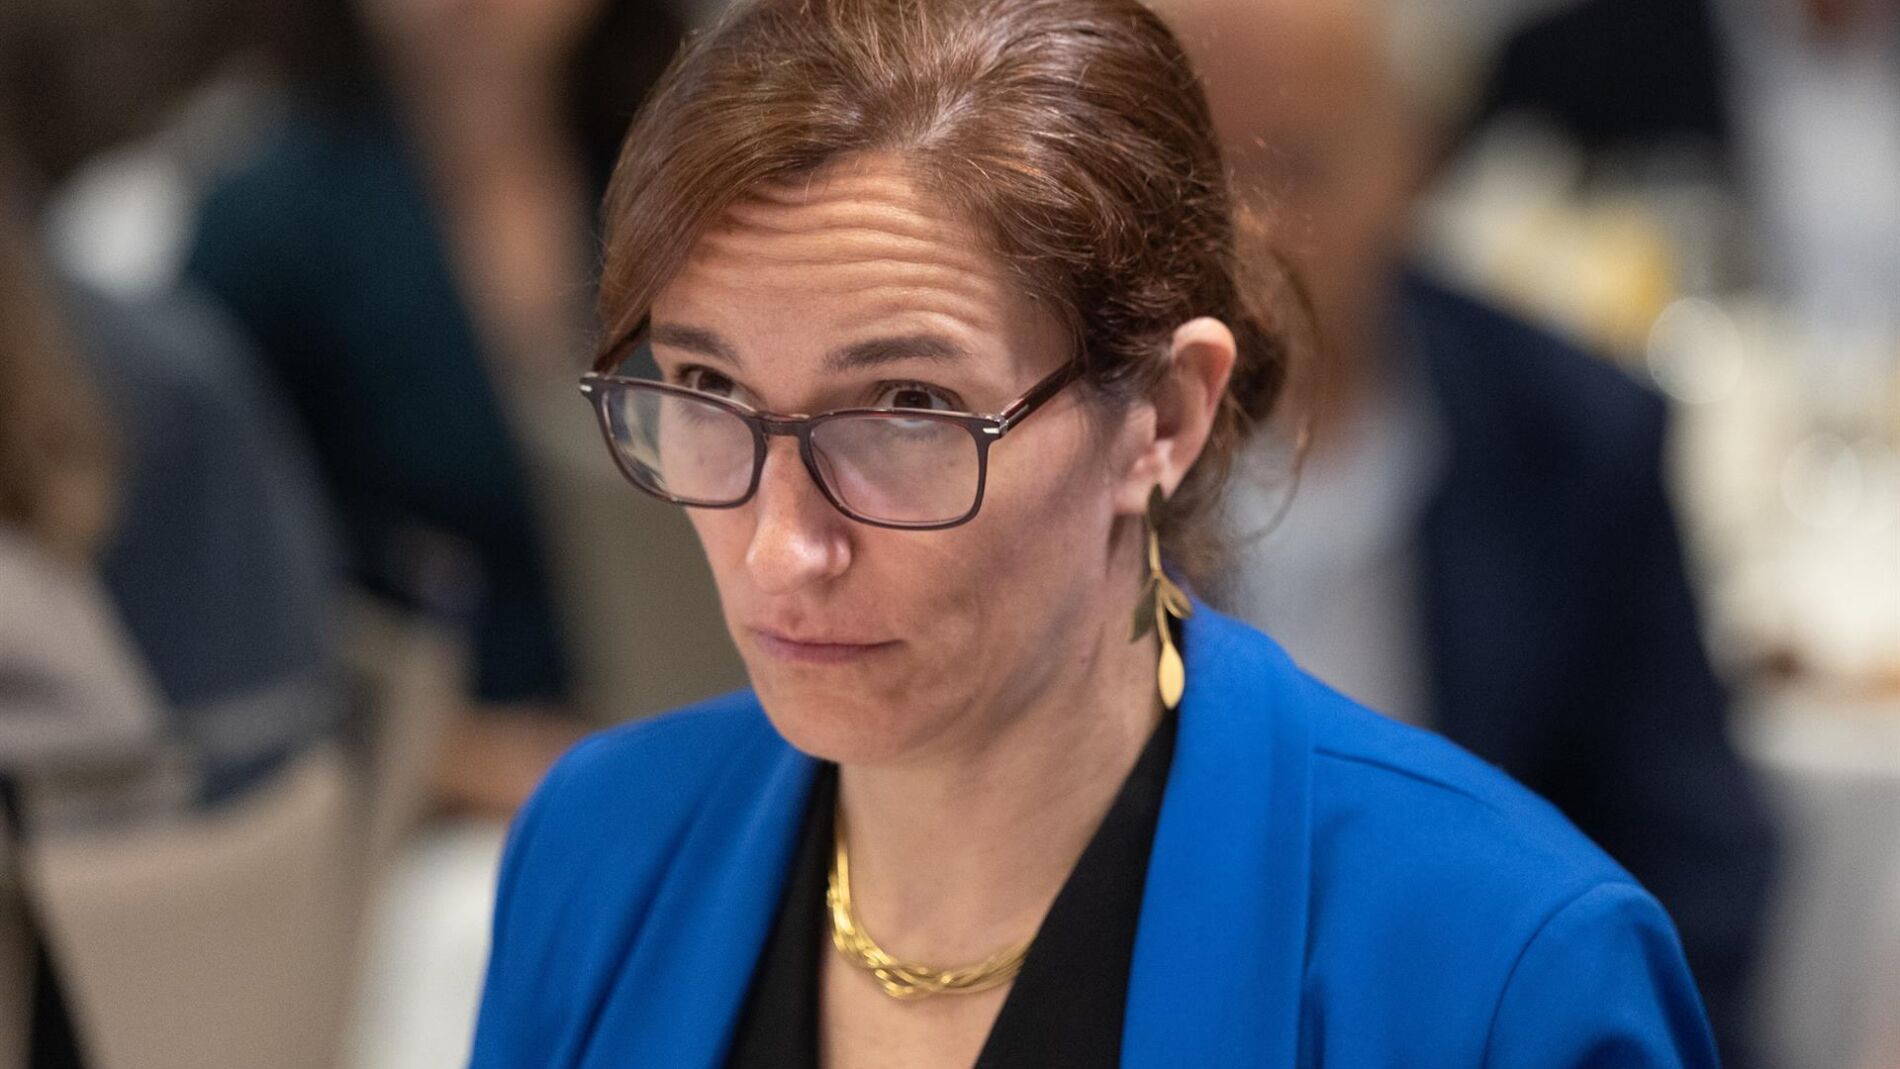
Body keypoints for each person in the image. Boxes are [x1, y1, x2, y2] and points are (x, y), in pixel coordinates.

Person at [469, 1, 1717, 1065]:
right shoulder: (599, 846)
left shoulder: (1499, 967)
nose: (779, 548)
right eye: (706, 389)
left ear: (1163, 416)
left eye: (908, 409)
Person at [1160, 1, 1777, 1062]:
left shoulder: (1572, 431)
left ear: (1415, 160)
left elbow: (1693, 849)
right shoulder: (1076, 447)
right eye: (1188, 182)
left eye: (1295, 170)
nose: (1242, 234)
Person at [186, 0, 685, 813]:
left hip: (687, 723)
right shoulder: (262, 226)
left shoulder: (679, 170)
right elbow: (216, 606)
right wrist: (469, 758)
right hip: (420, 788)